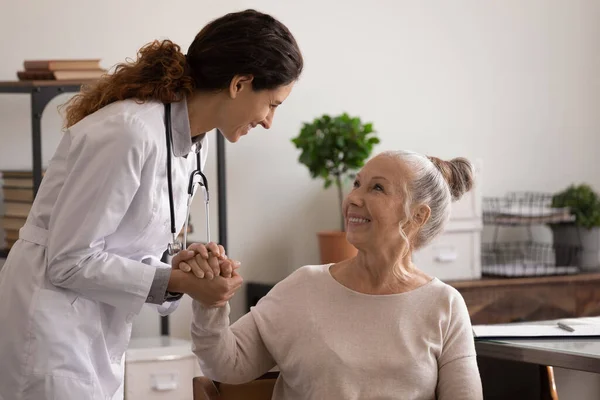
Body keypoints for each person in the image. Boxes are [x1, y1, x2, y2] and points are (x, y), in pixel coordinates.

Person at [0, 9, 303, 400]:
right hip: (48, 330)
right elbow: (69, 260)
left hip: (93, 332)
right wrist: (181, 282)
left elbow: (124, 246)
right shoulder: (128, 132)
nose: (268, 121)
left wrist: (179, 267)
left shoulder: (196, 143)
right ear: (240, 84)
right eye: (273, 104)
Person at [191, 150, 484, 399]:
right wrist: (210, 302)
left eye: (377, 188)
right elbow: (227, 364)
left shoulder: (444, 304)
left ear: (418, 216)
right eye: (357, 184)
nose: (354, 198)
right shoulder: (303, 287)